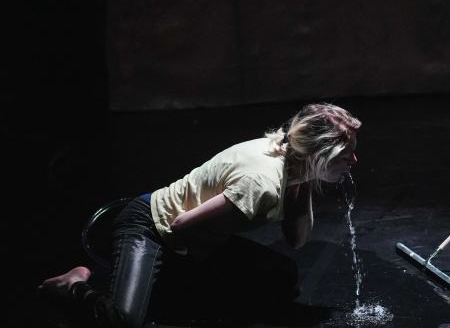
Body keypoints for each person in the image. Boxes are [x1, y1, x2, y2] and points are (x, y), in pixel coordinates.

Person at [38, 103, 361, 327]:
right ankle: (72, 284)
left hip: (197, 233)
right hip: (151, 226)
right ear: (320, 155)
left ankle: (165, 284)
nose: (354, 160)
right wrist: (205, 272)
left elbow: (297, 239)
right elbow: (182, 226)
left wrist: (306, 177)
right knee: (123, 321)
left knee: (282, 277)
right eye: (346, 155)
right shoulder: (261, 182)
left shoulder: (292, 160)